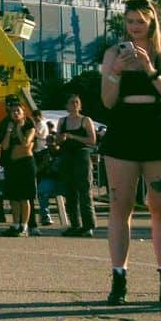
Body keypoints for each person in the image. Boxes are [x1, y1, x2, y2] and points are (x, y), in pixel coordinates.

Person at [100, 0, 161, 307]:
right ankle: (118, 278)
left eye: (140, 21)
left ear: (152, 20)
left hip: (158, 128)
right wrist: (117, 72)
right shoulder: (114, 53)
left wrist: (151, 70)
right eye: (130, 22)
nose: (135, 28)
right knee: (119, 205)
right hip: (123, 129)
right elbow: (108, 101)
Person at [58, 93, 97, 236]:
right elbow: (58, 140)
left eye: (77, 102)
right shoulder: (62, 121)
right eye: (71, 102)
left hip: (82, 155)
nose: (74, 105)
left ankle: (88, 226)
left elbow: (92, 140)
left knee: (84, 190)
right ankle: (75, 224)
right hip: (67, 156)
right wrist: (59, 139)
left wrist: (73, 136)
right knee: (69, 191)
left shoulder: (86, 120)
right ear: (66, 106)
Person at [0, 99, 36, 236]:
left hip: (26, 164)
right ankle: (15, 224)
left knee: (24, 197)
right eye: (12, 111)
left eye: (17, 111)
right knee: (14, 197)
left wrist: (19, 128)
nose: (15, 113)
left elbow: (25, 143)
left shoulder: (29, 126)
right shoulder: (7, 125)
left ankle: (24, 226)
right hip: (12, 165)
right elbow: (5, 146)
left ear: (23, 112)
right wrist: (8, 131)